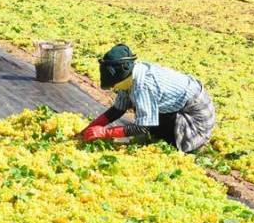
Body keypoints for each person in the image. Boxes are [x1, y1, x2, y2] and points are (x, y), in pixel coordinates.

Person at [77, 44, 215, 154]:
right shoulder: (130, 78)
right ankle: (161, 130)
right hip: (177, 107)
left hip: (195, 118)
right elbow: (117, 110)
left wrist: (106, 133)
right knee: (143, 113)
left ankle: (191, 142)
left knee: (155, 131)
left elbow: (143, 127)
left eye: (114, 85)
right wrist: (91, 128)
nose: (114, 88)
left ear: (123, 77)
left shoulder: (143, 86)